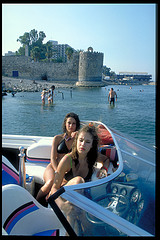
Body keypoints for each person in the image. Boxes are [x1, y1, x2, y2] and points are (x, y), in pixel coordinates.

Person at [47, 124, 110, 234]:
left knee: (90, 227)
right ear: (76, 141)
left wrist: (104, 169)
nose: (83, 144)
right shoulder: (67, 160)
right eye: (80, 140)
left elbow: (106, 160)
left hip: (81, 199)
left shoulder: (92, 157)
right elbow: (54, 189)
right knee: (78, 181)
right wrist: (63, 206)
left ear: (92, 145)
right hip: (64, 196)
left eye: (87, 142)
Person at [36, 112, 80, 202]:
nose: (71, 125)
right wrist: (57, 171)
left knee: (65, 187)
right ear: (65, 124)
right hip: (54, 167)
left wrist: (78, 136)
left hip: (68, 170)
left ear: (77, 125)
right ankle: (36, 202)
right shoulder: (57, 138)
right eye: (69, 123)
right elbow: (52, 158)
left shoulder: (78, 140)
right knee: (50, 183)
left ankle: (50, 201)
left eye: (74, 123)